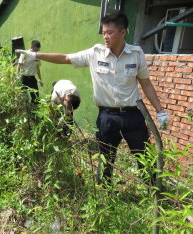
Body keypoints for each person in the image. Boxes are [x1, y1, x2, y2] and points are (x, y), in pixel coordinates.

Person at [16, 11, 169, 184]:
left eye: (109, 32)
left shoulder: (136, 54)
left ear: (123, 32)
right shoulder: (94, 53)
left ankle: (154, 194)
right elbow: (66, 58)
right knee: (105, 160)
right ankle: (104, 194)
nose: (105, 37)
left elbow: (146, 83)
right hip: (107, 117)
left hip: (132, 115)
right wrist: (36, 55)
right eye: (103, 33)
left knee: (144, 158)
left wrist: (160, 111)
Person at [17, 40, 43, 105]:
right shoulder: (24, 53)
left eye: (38, 50)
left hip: (32, 79)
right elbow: (19, 66)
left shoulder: (37, 56)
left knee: (36, 97)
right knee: (23, 97)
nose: (37, 51)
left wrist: (40, 79)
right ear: (32, 46)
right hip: (24, 78)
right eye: (36, 50)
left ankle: (35, 111)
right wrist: (17, 76)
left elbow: (37, 68)